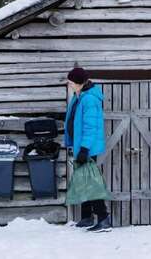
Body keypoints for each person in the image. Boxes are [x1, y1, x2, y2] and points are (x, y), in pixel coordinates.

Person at [63, 67, 111, 232]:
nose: (69, 85)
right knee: (84, 181)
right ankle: (87, 217)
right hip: (80, 146)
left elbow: (90, 127)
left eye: (70, 82)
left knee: (90, 182)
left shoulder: (89, 99)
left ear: (78, 82)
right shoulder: (79, 97)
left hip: (86, 147)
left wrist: (84, 148)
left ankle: (103, 219)